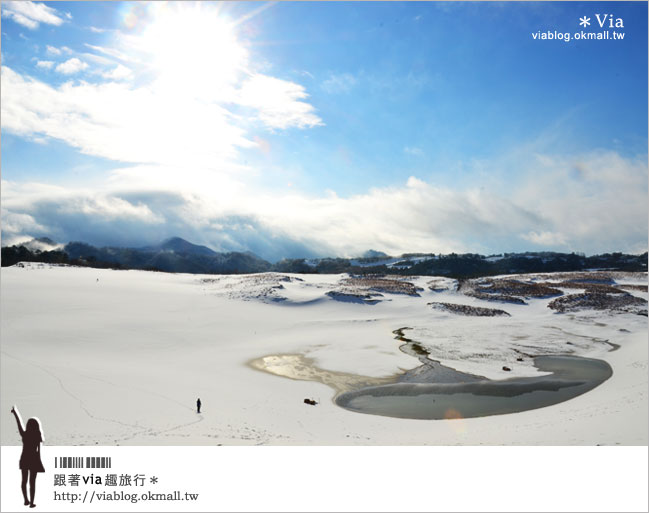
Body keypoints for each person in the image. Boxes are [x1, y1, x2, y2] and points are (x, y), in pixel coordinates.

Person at [11, 406, 44, 508]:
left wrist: (15, 413)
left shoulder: (24, 435)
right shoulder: (38, 436)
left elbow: (19, 423)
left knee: (24, 480)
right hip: (34, 459)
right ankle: (31, 502)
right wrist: (39, 462)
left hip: (24, 459)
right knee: (32, 482)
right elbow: (39, 451)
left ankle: (26, 499)